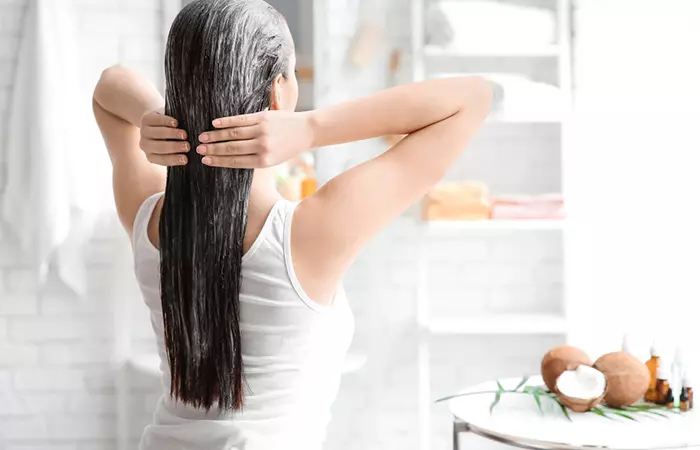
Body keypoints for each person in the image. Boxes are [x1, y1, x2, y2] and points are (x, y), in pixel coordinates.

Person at [92, 0, 491, 448]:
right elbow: (473, 97)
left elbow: (109, 87)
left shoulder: (149, 218)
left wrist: (159, 116)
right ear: (278, 92)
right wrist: (311, 128)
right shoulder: (310, 233)